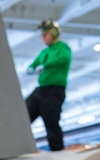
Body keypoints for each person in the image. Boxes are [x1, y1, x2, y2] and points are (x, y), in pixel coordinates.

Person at [25, 20, 72, 152]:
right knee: (24, 115)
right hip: (42, 89)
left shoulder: (63, 48)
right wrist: (32, 67)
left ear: (53, 34)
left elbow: (63, 59)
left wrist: (46, 65)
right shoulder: (45, 52)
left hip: (54, 91)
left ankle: (57, 149)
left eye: (46, 35)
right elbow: (35, 63)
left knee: (51, 121)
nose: (43, 38)